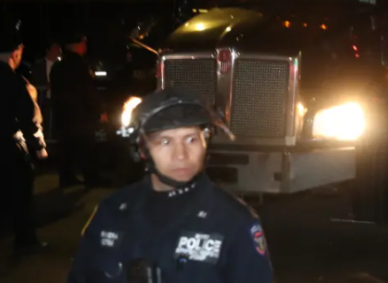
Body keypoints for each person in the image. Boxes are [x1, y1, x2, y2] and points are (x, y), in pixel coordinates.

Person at [67, 90, 274, 282]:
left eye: (191, 140)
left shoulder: (235, 221)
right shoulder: (110, 211)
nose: (181, 155)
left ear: (206, 143)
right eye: (165, 142)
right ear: (142, 150)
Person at [1, 23, 49, 255]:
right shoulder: (14, 81)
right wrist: (38, 146)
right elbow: (28, 116)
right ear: (16, 52)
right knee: (20, 194)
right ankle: (25, 240)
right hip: (9, 146)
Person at [50, 32, 105, 187]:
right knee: (87, 148)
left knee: (66, 147)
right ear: (78, 45)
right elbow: (88, 90)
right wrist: (99, 110)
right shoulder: (79, 65)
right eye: (83, 43)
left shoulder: (58, 66)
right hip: (81, 114)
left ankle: (66, 177)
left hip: (63, 113)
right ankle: (92, 178)